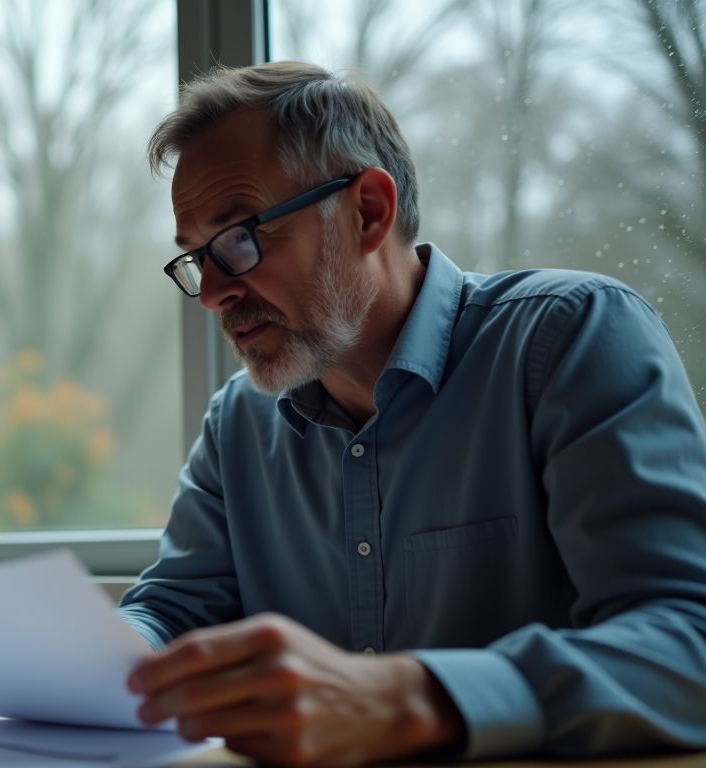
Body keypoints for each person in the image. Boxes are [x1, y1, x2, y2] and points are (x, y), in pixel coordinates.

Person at [118, 62, 706, 764]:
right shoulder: (239, 425)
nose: (211, 293)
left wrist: (413, 697)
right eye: (194, 260)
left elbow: (688, 637)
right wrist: (56, 669)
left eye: (237, 240)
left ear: (368, 210)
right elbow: (172, 614)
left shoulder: (568, 340)